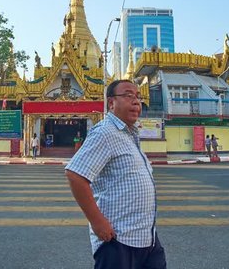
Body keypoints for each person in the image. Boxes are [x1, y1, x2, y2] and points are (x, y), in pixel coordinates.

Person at [65, 79, 166, 269]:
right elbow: (75, 174)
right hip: (118, 241)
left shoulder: (129, 134)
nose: (136, 102)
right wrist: (97, 222)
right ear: (111, 103)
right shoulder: (105, 132)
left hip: (147, 239)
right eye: (128, 96)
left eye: (138, 97)